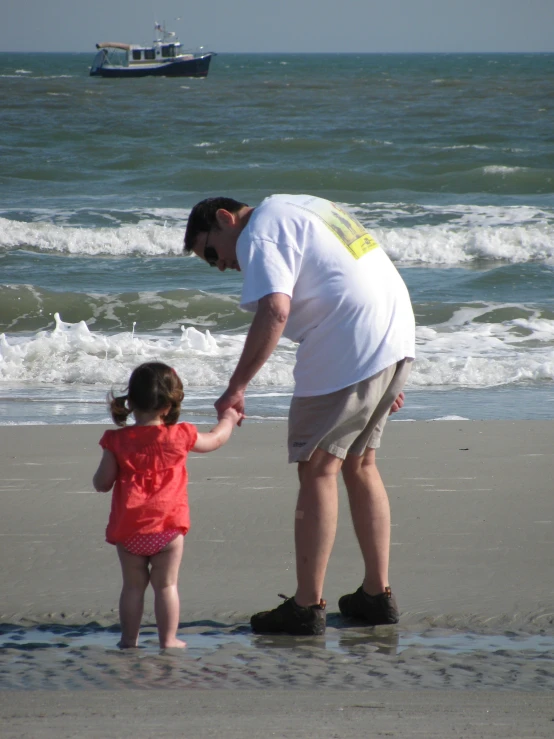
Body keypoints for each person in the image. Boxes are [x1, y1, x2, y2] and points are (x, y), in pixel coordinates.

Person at [184, 194, 416, 636]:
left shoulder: (260, 228)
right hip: (396, 330)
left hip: (351, 339)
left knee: (318, 469)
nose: (218, 266)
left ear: (225, 219)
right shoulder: (303, 206)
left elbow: (276, 309)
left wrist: (236, 387)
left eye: (212, 252)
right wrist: (382, 373)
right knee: (361, 462)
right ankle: (375, 594)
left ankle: (307, 605)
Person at [92, 361, 241, 648]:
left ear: (131, 402)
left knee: (133, 588)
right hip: (168, 529)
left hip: (130, 530)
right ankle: (168, 639)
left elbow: (102, 483)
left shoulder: (116, 441)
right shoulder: (181, 434)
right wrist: (229, 419)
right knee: (166, 586)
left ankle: (129, 639)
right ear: (168, 405)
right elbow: (215, 440)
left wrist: (103, 477)